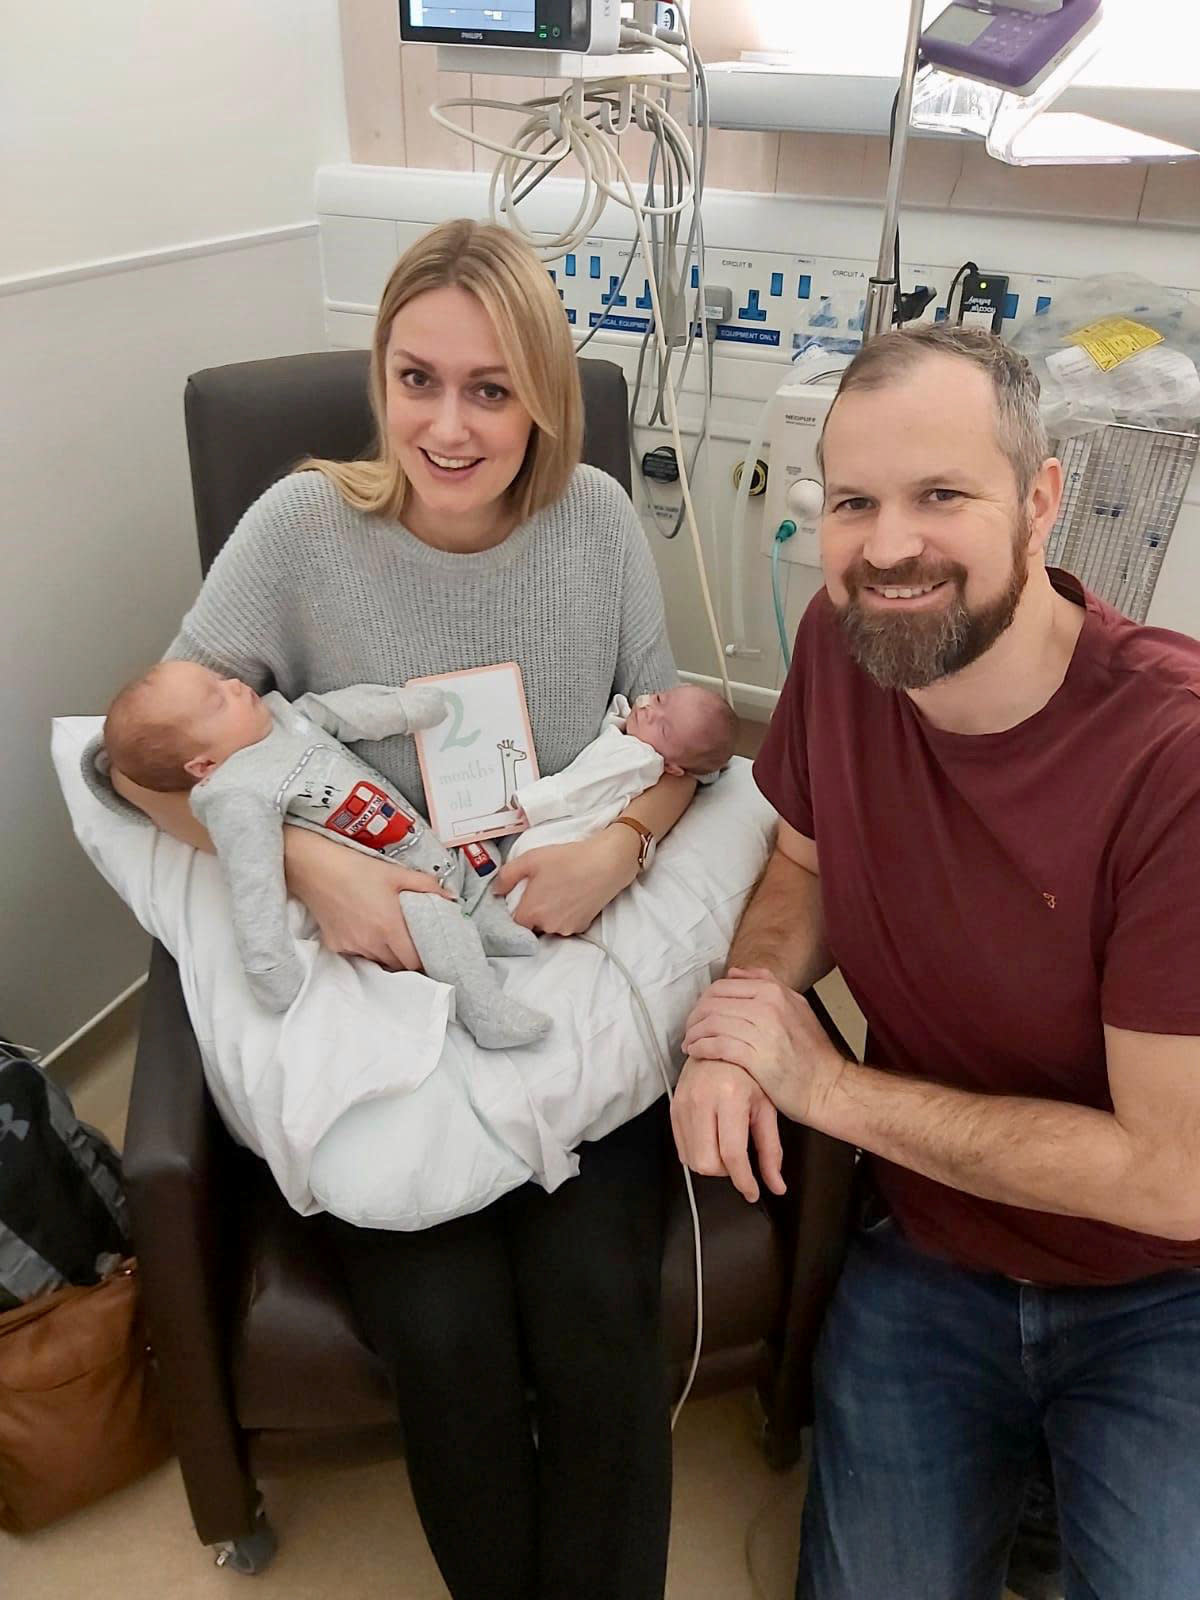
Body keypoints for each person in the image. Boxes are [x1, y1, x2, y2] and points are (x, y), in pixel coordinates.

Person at [108, 218, 696, 1600]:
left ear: (544, 392)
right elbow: (138, 760)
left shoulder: (600, 526)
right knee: (444, 1328)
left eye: (490, 388)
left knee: (595, 1309)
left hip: (544, 962)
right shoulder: (303, 528)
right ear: (379, 375)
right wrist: (315, 868)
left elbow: (679, 743)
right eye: (415, 377)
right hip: (374, 1000)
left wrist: (622, 844)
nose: (446, 423)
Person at [672, 325, 1200, 1600]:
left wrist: (828, 1089)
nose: (889, 546)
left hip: (1162, 1294)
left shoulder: (1171, 762)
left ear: (1040, 501)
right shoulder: (844, 644)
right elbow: (801, 865)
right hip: (931, 1251)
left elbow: (1176, 1179)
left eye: (941, 495)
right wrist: (740, 1018)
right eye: (854, 502)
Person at [102, 662, 549, 1046]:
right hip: (388, 887)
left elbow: (341, 711)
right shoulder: (235, 793)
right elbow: (253, 881)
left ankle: (488, 928)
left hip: (418, 838)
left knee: (472, 855)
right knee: (436, 918)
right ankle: (486, 1011)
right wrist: (270, 965)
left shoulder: (285, 717)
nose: (236, 686)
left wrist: (408, 709)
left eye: (221, 679)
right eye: (218, 701)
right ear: (202, 765)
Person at [505, 683, 736, 901]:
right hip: (561, 823)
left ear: (672, 768)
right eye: (659, 699)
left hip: (563, 828)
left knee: (521, 866)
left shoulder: (638, 758)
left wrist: (535, 801)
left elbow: (585, 785)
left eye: (663, 729)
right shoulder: (635, 735)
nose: (649, 710)